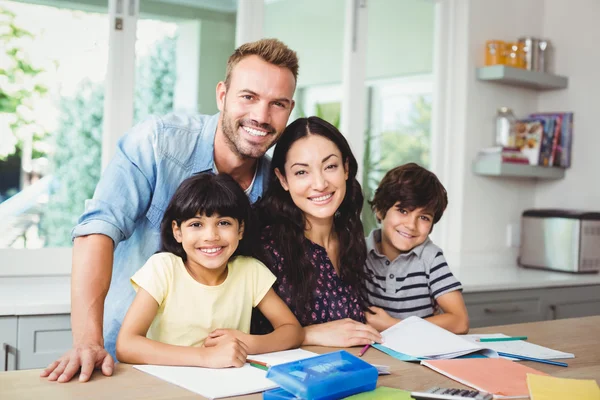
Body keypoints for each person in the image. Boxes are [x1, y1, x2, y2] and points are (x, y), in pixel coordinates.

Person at [41, 38, 298, 383]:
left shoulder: (277, 185)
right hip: (125, 360)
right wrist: (88, 340)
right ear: (222, 95)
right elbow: (97, 230)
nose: (261, 116)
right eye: (248, 97)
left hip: (223, 376)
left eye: (277, 104)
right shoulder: (158, 142)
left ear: (290, 109)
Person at [116, 173, 303, 367]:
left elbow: (292, 331)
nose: (211, 236)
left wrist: (249, 343)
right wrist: (205, 357)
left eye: (223, 223)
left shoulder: (250, 271)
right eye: (196, 224)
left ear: (240, 230)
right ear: (177, 231)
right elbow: (126, 345)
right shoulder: (163, 269)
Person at [252, 117, 382, 347]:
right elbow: (246, 335)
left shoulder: (351, 237)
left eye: (330, 166)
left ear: (346, 169)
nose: (320, 183)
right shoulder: (266, 248)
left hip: (360, 370)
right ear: (283, 179)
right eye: (302, 172)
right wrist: (309, 334)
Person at [364, 163, 469, 334]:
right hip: (371, 351)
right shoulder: (359, 252)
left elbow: (460, 321)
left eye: (423, 217)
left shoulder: (430, 258)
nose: (411, 225)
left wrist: (394, 325)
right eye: (403, 211)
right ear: (380, 211)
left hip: (417, 353)